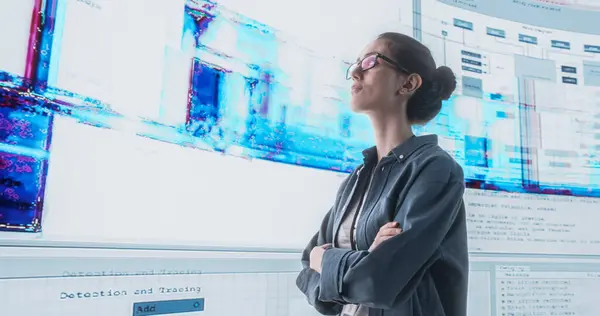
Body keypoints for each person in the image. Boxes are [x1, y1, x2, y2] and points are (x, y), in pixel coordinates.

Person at [296, 32, 468, 316]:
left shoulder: (435, 169)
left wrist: (326, 261)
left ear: (408, 83)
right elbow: (306, 269)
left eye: (369, 62)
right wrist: (364, 259)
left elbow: (380, 282)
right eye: (355, 63)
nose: (354, 72)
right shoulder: (356, 179)